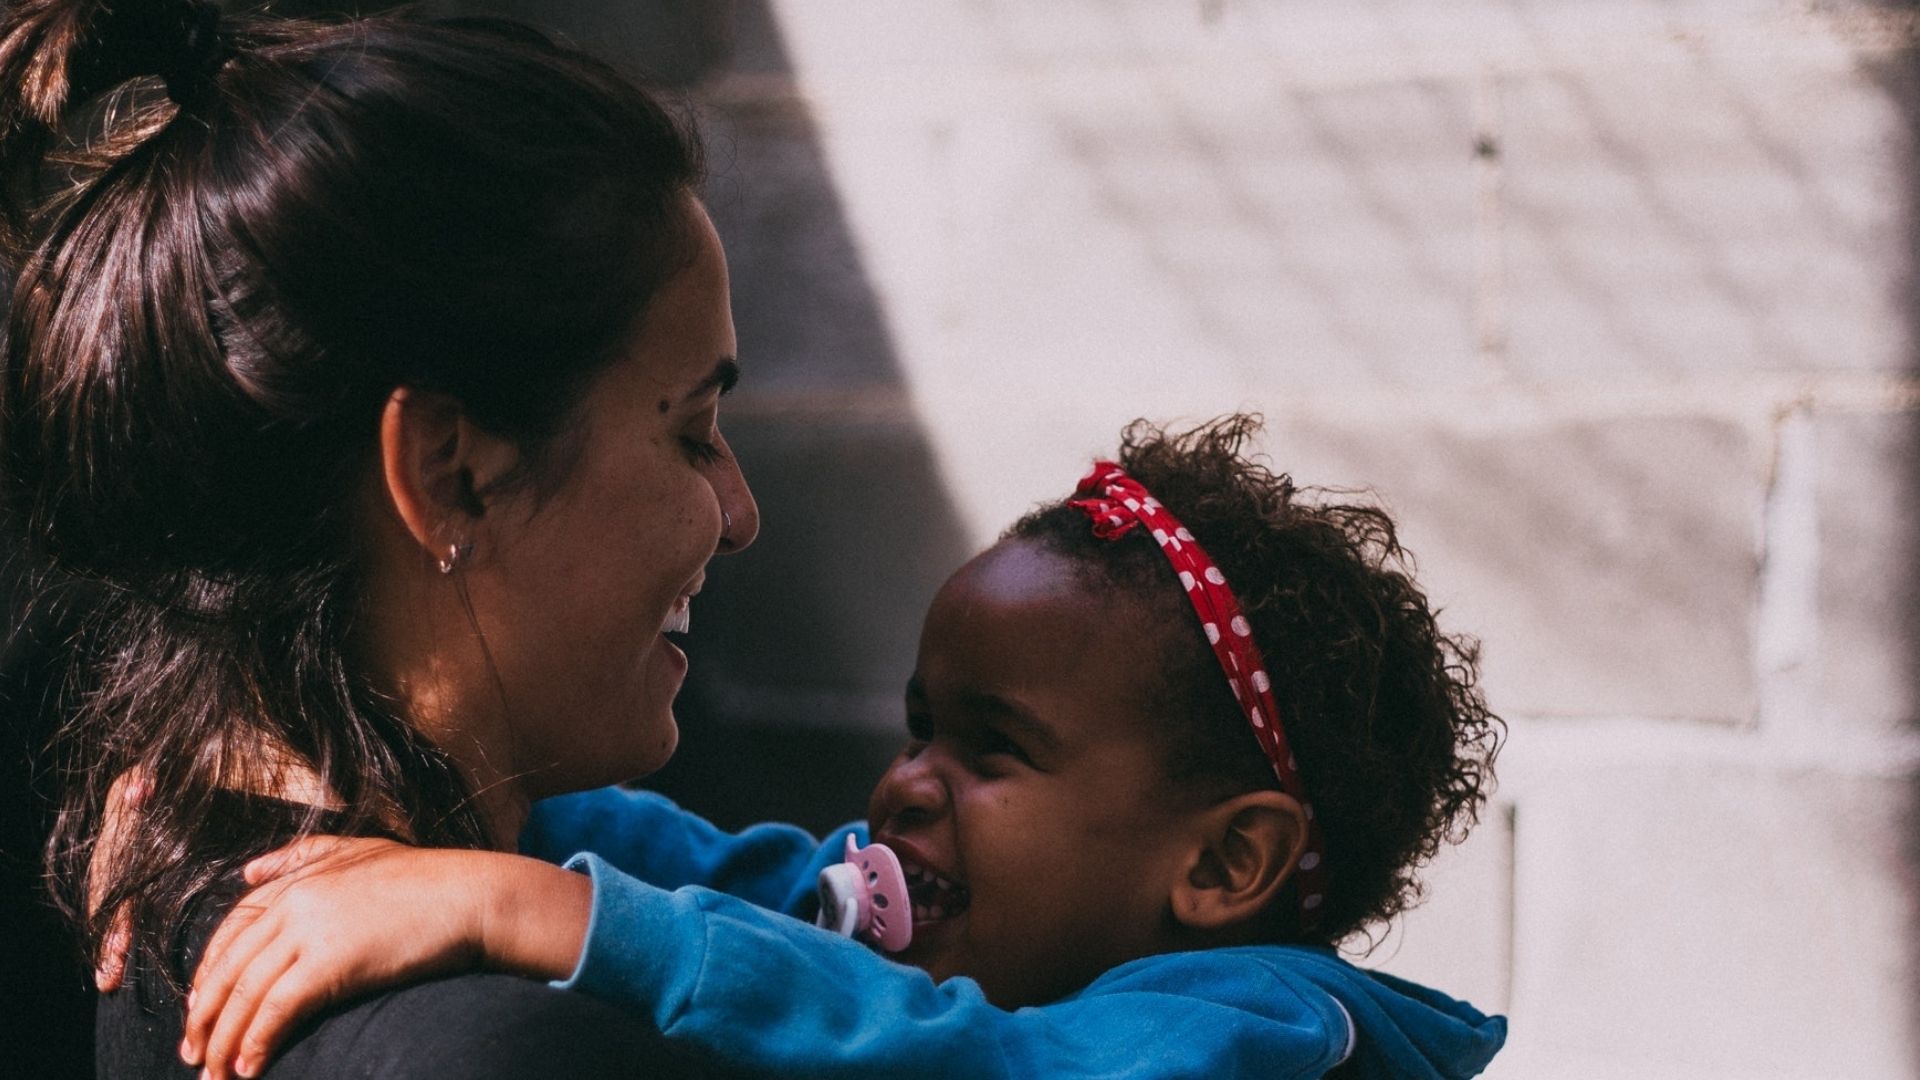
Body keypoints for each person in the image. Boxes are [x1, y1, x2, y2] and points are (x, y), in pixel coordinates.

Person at [180, 417, 1509, 1080]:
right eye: (923, 727)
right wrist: (355, 779)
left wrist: (530, 913)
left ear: (1222, 865)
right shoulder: (993, 935)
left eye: (996, 750)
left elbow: (984, 1065)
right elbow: (746, 882)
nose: (910, 783)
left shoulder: (1261, 1030)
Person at [0, 1, 759, 1074]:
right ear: (449, 473)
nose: (740, 514)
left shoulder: (172, 890)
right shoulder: (511, 1050)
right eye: (692, 432)